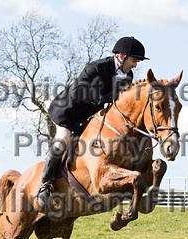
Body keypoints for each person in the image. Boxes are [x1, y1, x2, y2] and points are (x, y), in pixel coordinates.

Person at [36, 36, 149, 210]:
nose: (135, 65)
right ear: (121, 56)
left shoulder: (128, 75)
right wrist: (108, 98)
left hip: (91, 114)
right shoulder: (97, 68)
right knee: (63, 139)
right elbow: (81, 93)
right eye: (134, 60)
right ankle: (44, 186)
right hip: (69, 110)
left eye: (137, 62)